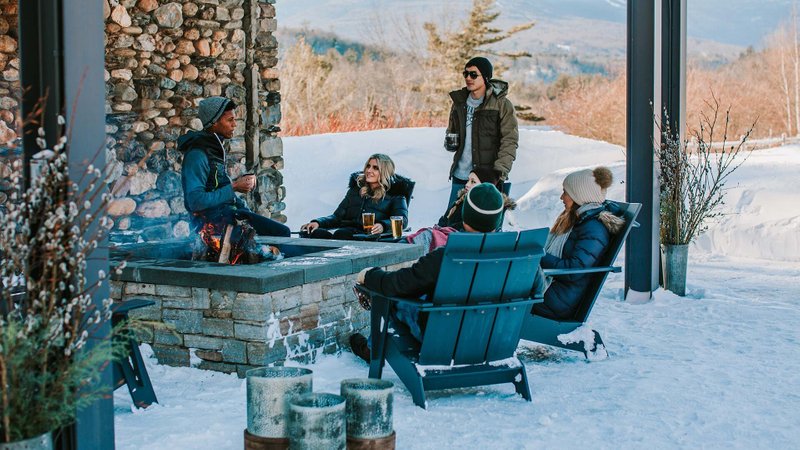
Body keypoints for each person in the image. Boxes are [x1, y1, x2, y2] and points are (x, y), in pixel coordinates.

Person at [349, 183, 543, 362]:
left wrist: (370, 276)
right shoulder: (522, 257)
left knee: (391, 299)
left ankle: (372, 350)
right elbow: (539, 290)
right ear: (498, 218)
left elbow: (397, 284)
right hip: (495, 338)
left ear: (465, 214)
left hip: (442, 340)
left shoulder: (448, 256)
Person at [179, 96, 290, 237]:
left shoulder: (214, 149)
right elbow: (195, 202)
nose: (234, 125)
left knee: (275, 233)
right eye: (230, 120)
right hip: (212, 225)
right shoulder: (198, 155)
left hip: (227, 215)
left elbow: (220, 187)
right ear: (214, 123)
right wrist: (235, 187)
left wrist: (246, 210)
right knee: (281, 233)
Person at [534, 166, 625, 320]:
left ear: (579, 196)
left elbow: (574, 271)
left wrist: (538, 256)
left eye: (566, 193)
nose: (561, 198)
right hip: (554, 290)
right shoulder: (579, 220)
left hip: (558, 300)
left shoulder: (594, 228)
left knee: (498, 293)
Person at [444, 56, 519, 210]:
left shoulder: (501, 104)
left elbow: (509, 141)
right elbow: (452, 133)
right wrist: (451, 141)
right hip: (460, 176)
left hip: (487, 178)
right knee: (452, 223)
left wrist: (499, 173)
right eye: (465, 74)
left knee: (484, 225)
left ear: (485, 77)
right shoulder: (459, 103)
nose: (468, 78)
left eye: (473, 74)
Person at [300, 154, 410, 240]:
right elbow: (337, 217)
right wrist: (318, 222)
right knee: (316, 233)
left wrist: (383, 225)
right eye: (368, 166)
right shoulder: (355, 191)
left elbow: (402, 221)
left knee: (341, 234)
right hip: (347, 233)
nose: (369, 170)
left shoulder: (396, 195)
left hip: (371, 237)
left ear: (384, 171)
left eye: (375, 168)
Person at [438, 166, 516, 231]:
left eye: (473, 182)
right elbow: (444, 221)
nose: (467, 185)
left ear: (484, 187)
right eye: (468, 180)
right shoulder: (460, 201)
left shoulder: (482, 210)